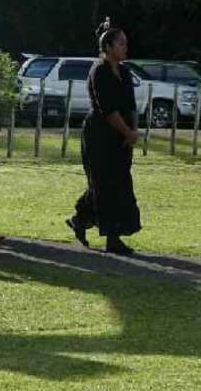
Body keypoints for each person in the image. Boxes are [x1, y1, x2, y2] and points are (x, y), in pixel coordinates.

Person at [66, 26, 142, 255]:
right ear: (107, 47)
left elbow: (130, 105)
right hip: (101, 134)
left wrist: (132, 131)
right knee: (104, 182)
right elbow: (107, 109)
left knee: (119, 180)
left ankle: (80, 218)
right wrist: (127, 131)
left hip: (121, 133)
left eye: (125, 43)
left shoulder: (125, 72)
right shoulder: (99, 72)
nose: (125, 48)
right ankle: (112, 237)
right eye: (121, 43)